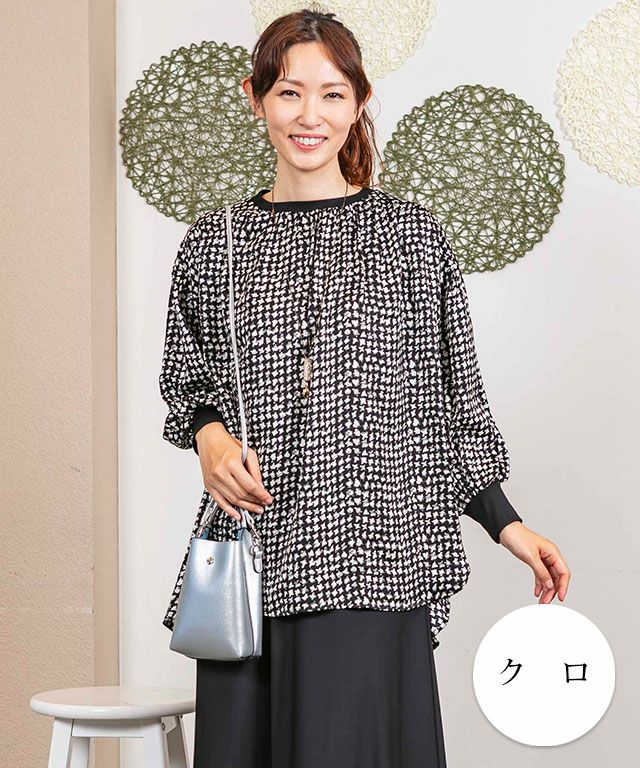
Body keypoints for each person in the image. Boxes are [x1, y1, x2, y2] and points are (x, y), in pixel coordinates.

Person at [158, 8, 571, 767]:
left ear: (359, 103)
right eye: (289, 93)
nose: (309, 116)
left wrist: (509, 526)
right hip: (253, 561)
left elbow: (453, 403)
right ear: (255, 97)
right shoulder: (214, 242)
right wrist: (210, 439)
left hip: (375, 560)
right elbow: (189, 379)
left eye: (331, 94)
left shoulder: (412, 237)